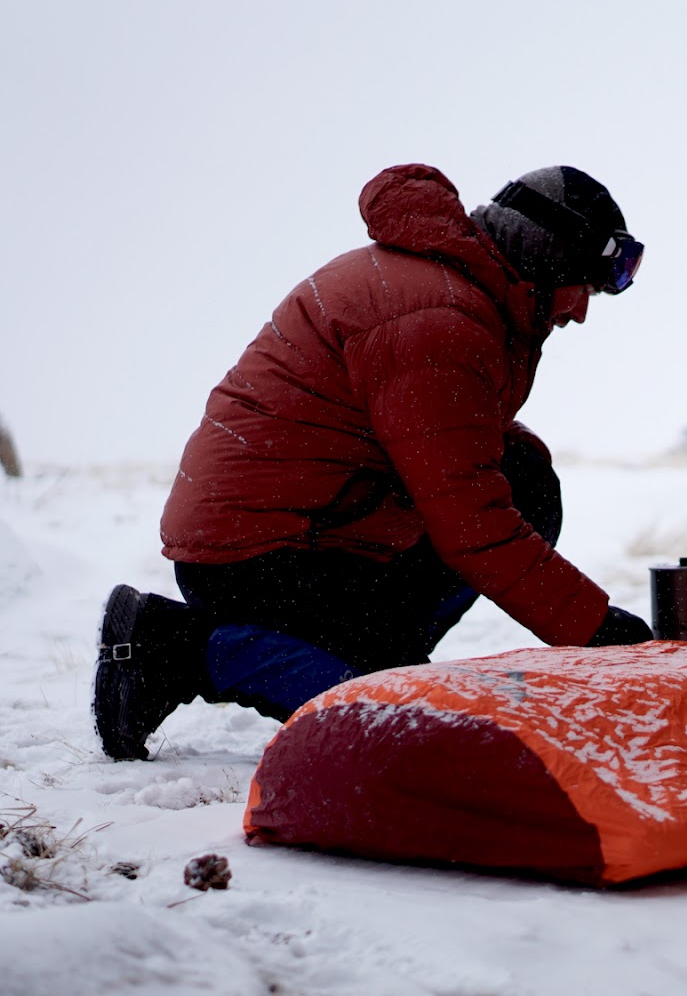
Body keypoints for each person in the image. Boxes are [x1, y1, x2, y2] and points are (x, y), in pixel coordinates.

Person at [93, 163, 656, 761]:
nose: (581, 312)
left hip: (320, 532)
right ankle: (173, 647)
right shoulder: (438, 319)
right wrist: (599, 631)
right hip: (257, 559)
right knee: (399, 720)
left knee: (523, 477)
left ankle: (379, 656)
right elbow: (474, 525)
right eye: (585, 287)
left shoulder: (448, 293)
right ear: (544, 259)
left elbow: (446, 445)